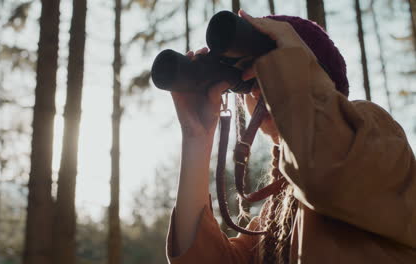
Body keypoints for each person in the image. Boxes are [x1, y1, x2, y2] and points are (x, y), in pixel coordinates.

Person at [166, 9, 416, 264]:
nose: (256, 91)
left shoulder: (373, 133)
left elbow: (325, 172)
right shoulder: (274, 220)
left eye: (268, 70)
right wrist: (196, 136)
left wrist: (286, 58)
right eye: (246, 80)